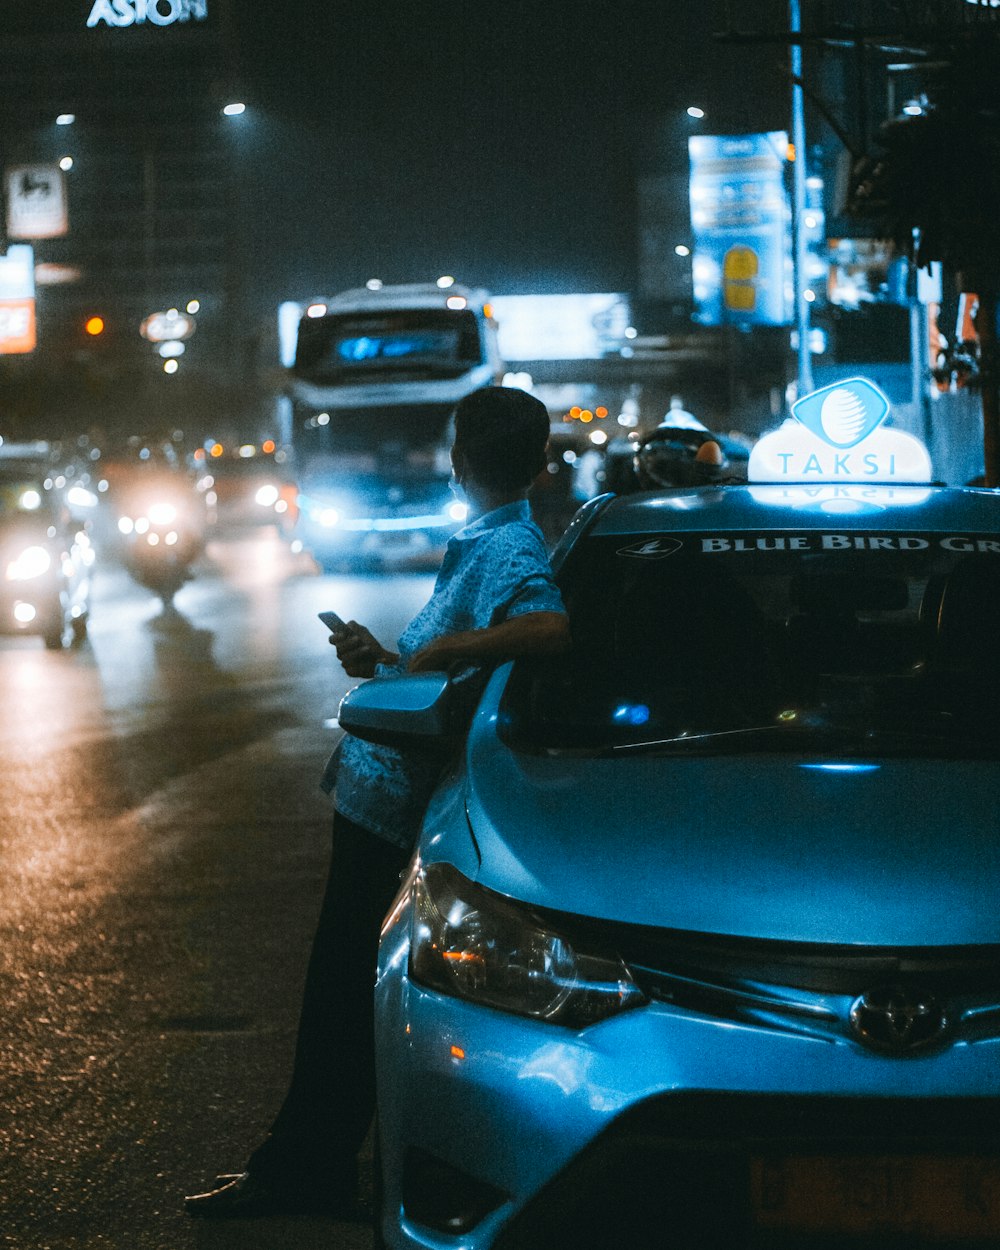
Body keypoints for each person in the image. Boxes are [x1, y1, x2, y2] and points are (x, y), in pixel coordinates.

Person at [184, 385, 570, 1219]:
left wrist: (446, 645)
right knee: (341, 994)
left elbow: (546, 627)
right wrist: (391, 663)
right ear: (539, 465)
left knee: (337, 1000)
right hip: (376, 800)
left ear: (461, 462)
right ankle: (305, 1162)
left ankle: (299, 1171)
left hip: (391, 811)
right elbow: (454, 678)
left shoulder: (509, 547)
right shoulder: (484, 542)